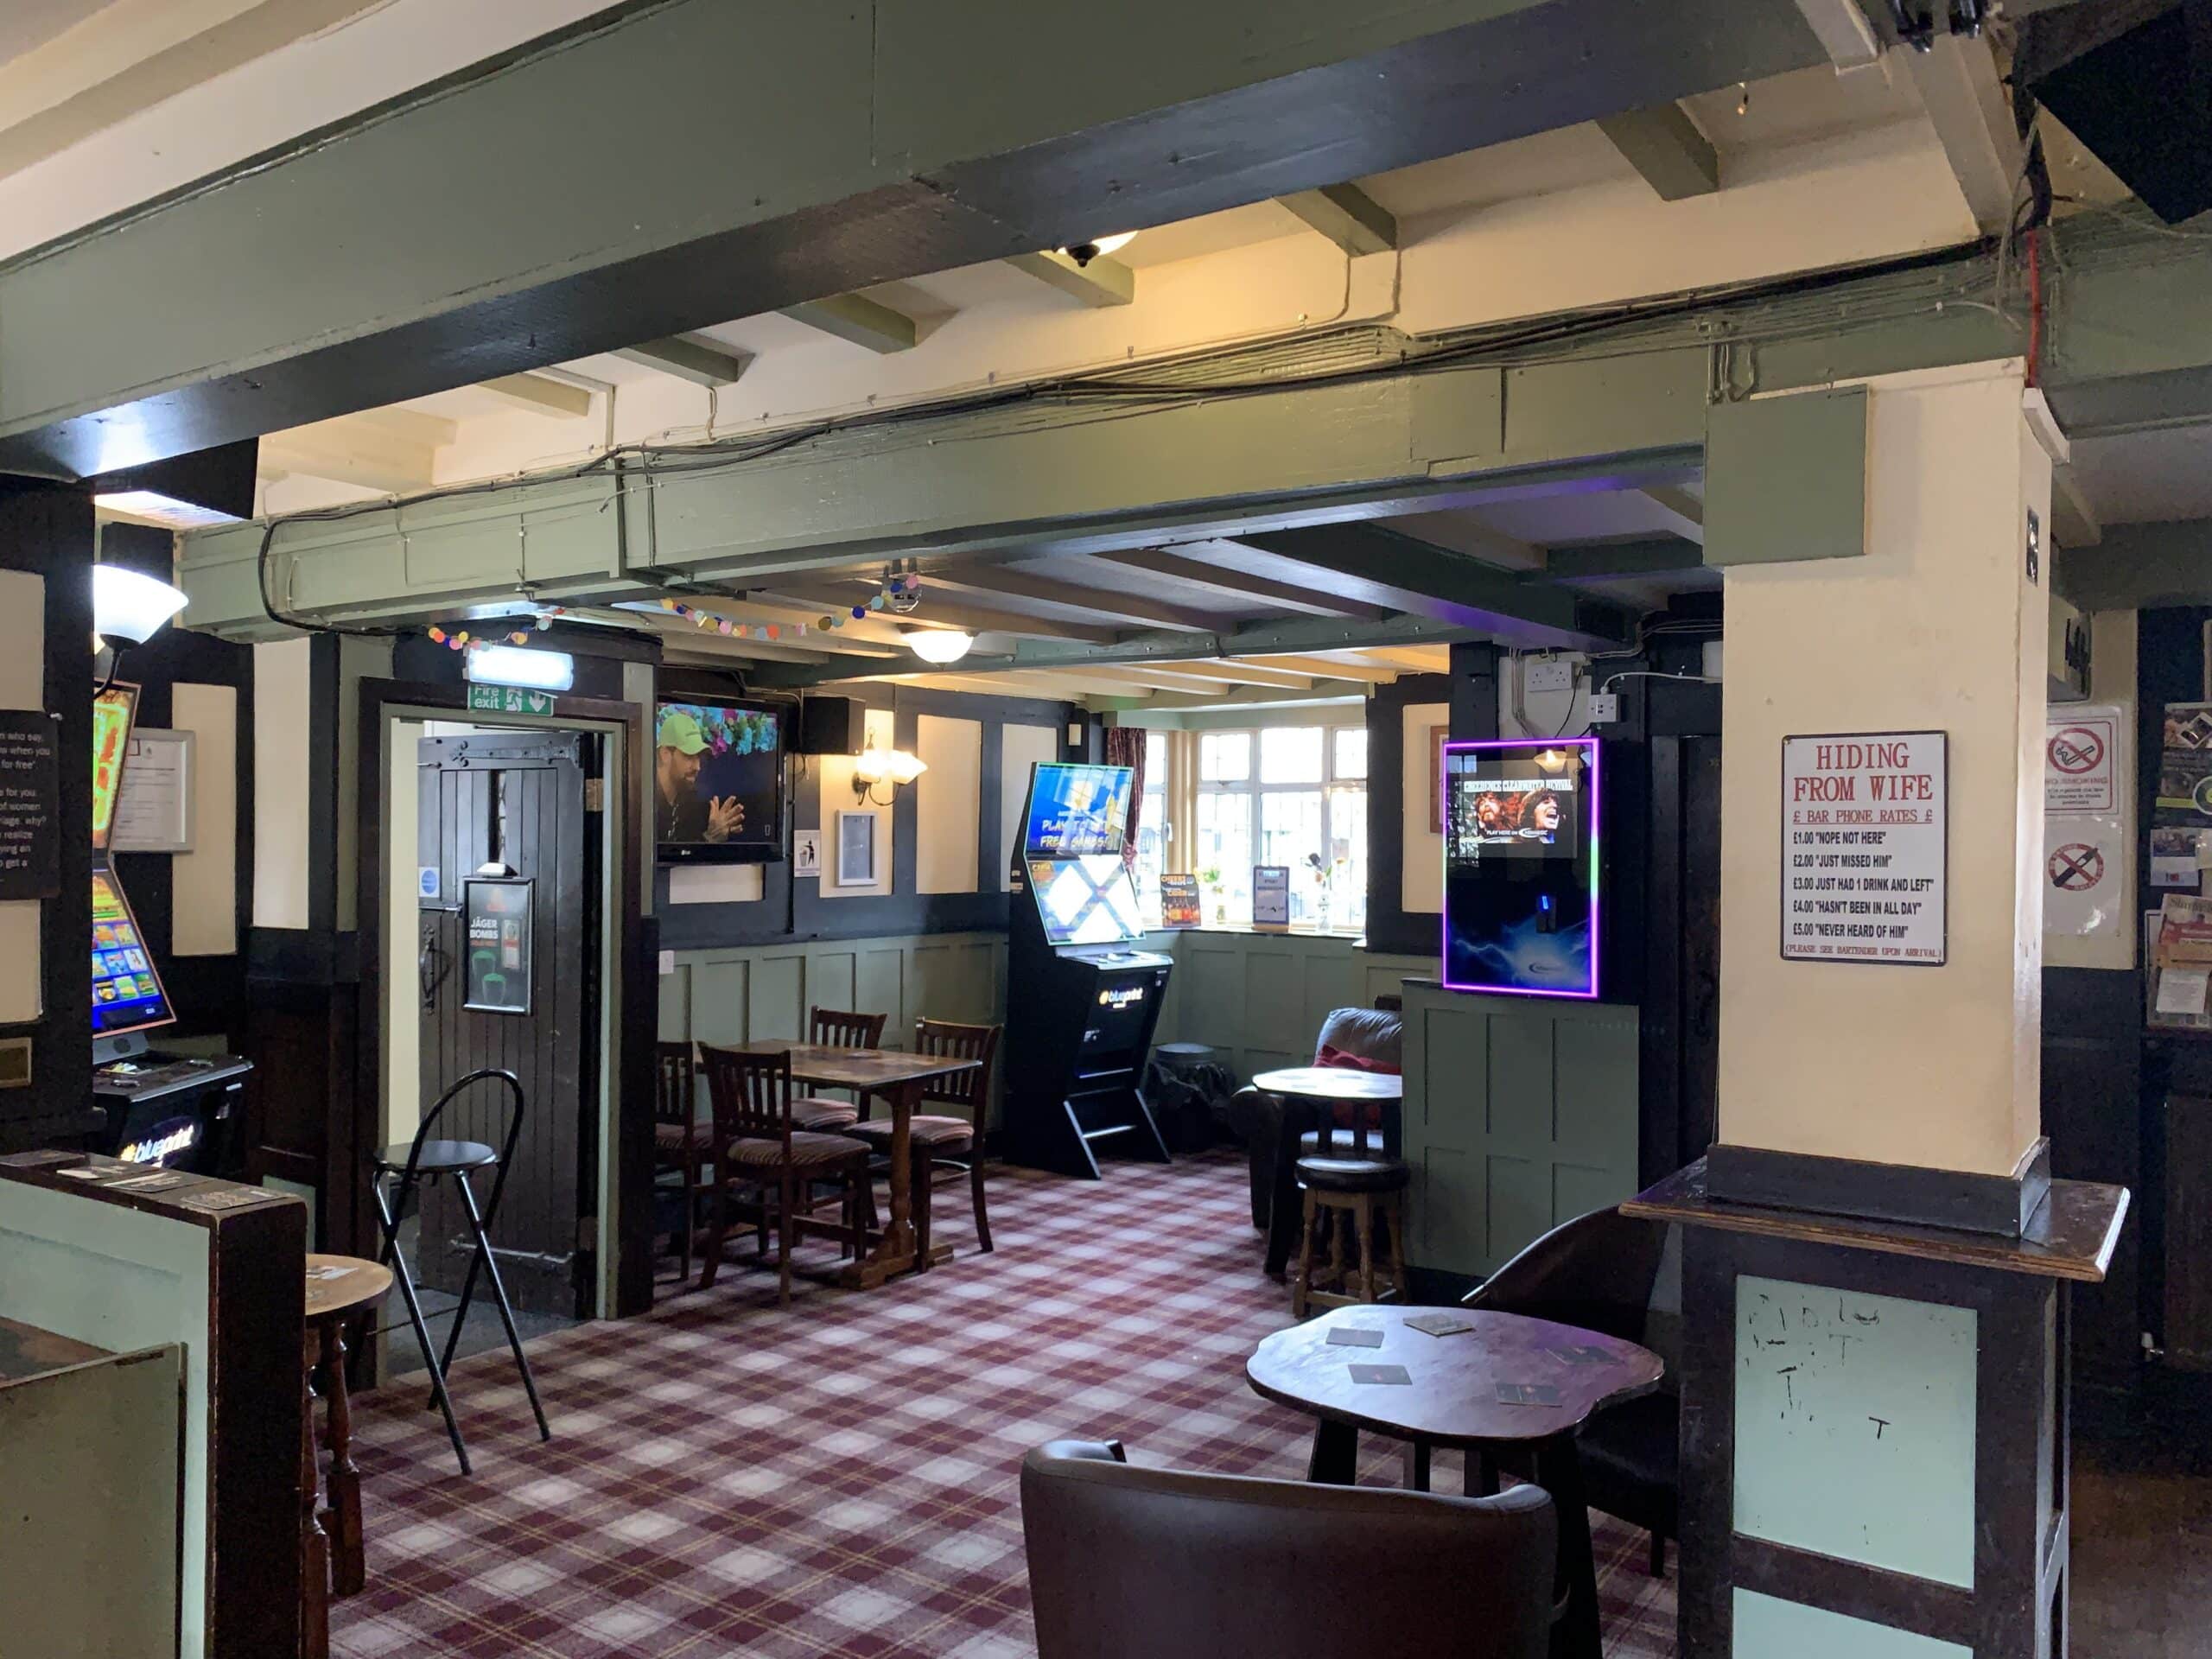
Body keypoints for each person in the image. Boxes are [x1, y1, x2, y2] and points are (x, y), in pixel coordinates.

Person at [656, 709, 744, 843]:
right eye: (689, 756)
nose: (698, 767)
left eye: (698, 757)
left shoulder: (688, 800)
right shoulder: (642, 803)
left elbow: (682, 852)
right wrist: (709, 840)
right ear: (665, 754)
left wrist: (710, 839)